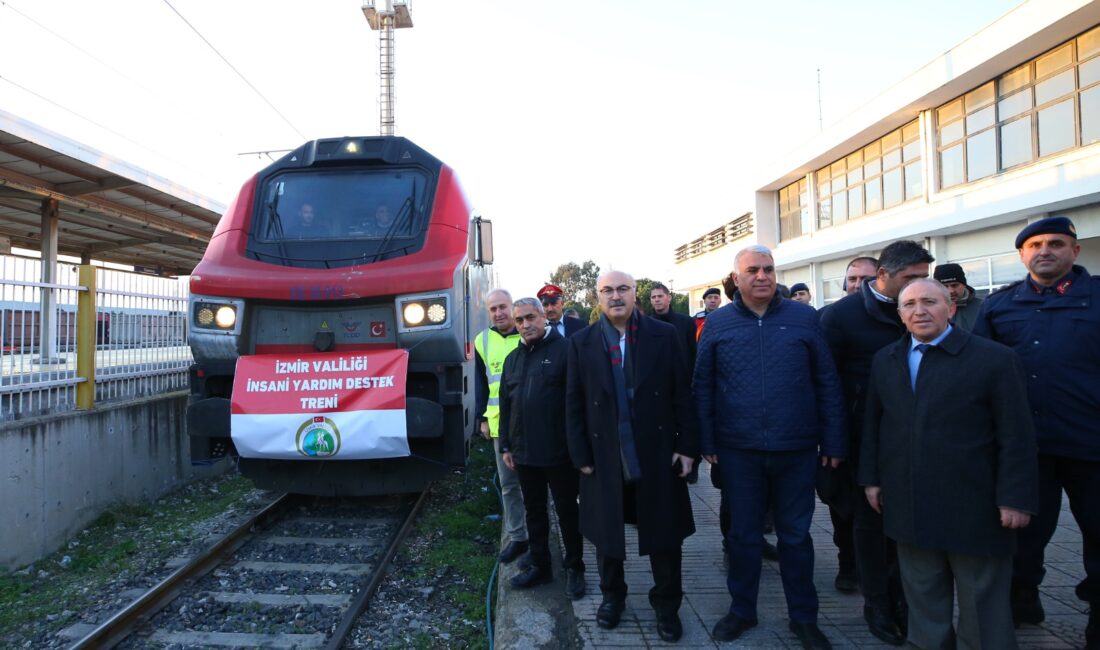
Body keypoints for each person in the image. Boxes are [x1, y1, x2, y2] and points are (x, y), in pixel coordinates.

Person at [861, 278, 1038, 649]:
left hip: (976, 505)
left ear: (951, 307)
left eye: (930, 302)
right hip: (910, 502)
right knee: (923, 595)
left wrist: (1015, 498)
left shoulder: (994, 359)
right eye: (909, 305)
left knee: (982, 603)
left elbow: (1016, 436)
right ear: (900, 314)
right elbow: (874, 425)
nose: (919, 311)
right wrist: (872, 479)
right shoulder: (886, 359)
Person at [695, 244, 846, 650]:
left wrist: (832, 439)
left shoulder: (803, 318)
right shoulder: (719, 324)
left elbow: (827, 382)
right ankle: (742, 610)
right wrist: (707, 440)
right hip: (738, 450)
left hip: (796, 449)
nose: (762, 276)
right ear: (737, 278)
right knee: (743, 537)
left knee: (796, 537)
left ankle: (804, 618)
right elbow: (703, 385)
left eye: (768, 269)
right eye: (753, 270)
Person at [973, 216, 1100, 649]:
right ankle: (1023, 601)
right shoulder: (999, 305)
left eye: (1056, 244)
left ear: (1075, 251)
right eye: (1035, 245)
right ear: (1022, 254)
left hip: (1091, 445)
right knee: (1023, 537)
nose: (1045, 251)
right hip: (1028, 449)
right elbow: (978, 376)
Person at [565, 270, 698, 643]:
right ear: (598, 297)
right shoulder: (582, 342)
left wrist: (687, 447)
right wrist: (579, 454)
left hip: (656, 454)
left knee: (665, 535)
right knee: (606, 534)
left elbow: (682, 394)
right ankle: (612, 598)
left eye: (622, 289)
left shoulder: (664, 335)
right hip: (604, 454)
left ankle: (667, 606)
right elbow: (573, 401)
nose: (615, 296)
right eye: (607, 290)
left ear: (634, 294)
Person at [819, 240, 935, 646]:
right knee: (869, 523)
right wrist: (832, 441)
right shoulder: (841, 317)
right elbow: (825, 384)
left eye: (925, 278)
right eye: (911, 279)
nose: (920, 288)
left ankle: (906, 599)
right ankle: (878, 603)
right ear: (884, 276)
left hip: (918, 439)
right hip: (861, 438)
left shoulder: (927, 309)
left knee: (910, 522)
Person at [498, 297, 585, 599]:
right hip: (524, 453)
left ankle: (575, 567)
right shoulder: (513, 359)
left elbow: (578, 404)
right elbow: (507, 406)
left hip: (559, 453)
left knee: (567, 513)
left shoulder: (566, 351)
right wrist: (506, 445)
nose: (525, 325)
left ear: (544, 317)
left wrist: (579, 449)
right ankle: (541, 564)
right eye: (519, 320)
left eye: (530, 318)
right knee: (534, 512)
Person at [473, 289, 528, 564]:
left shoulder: (528, 333)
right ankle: (517, 537)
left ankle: (539, 537)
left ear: (512, 306)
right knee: (509, 486)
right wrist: (482, 418)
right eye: (493, 309)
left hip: (532, 423)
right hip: (499, 426)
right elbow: (481, 383)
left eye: (503, 307)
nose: (498, 313)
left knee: (536, 485)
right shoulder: (482, 340)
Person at [649, 282, 701, 485]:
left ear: (669, 297)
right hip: (659, 387)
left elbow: (693, 352)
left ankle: (692, 464)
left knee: (688, 425)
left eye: (660, 296)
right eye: (653, 297)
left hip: (684, 383)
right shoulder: (646, 323)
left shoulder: (686, 322)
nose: (656, 300)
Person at [932, 263, 983, 331]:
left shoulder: (983, 307)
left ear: (964, 285)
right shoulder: (929, 309)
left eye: (955, 285)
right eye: (945, 286)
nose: (950, 291)